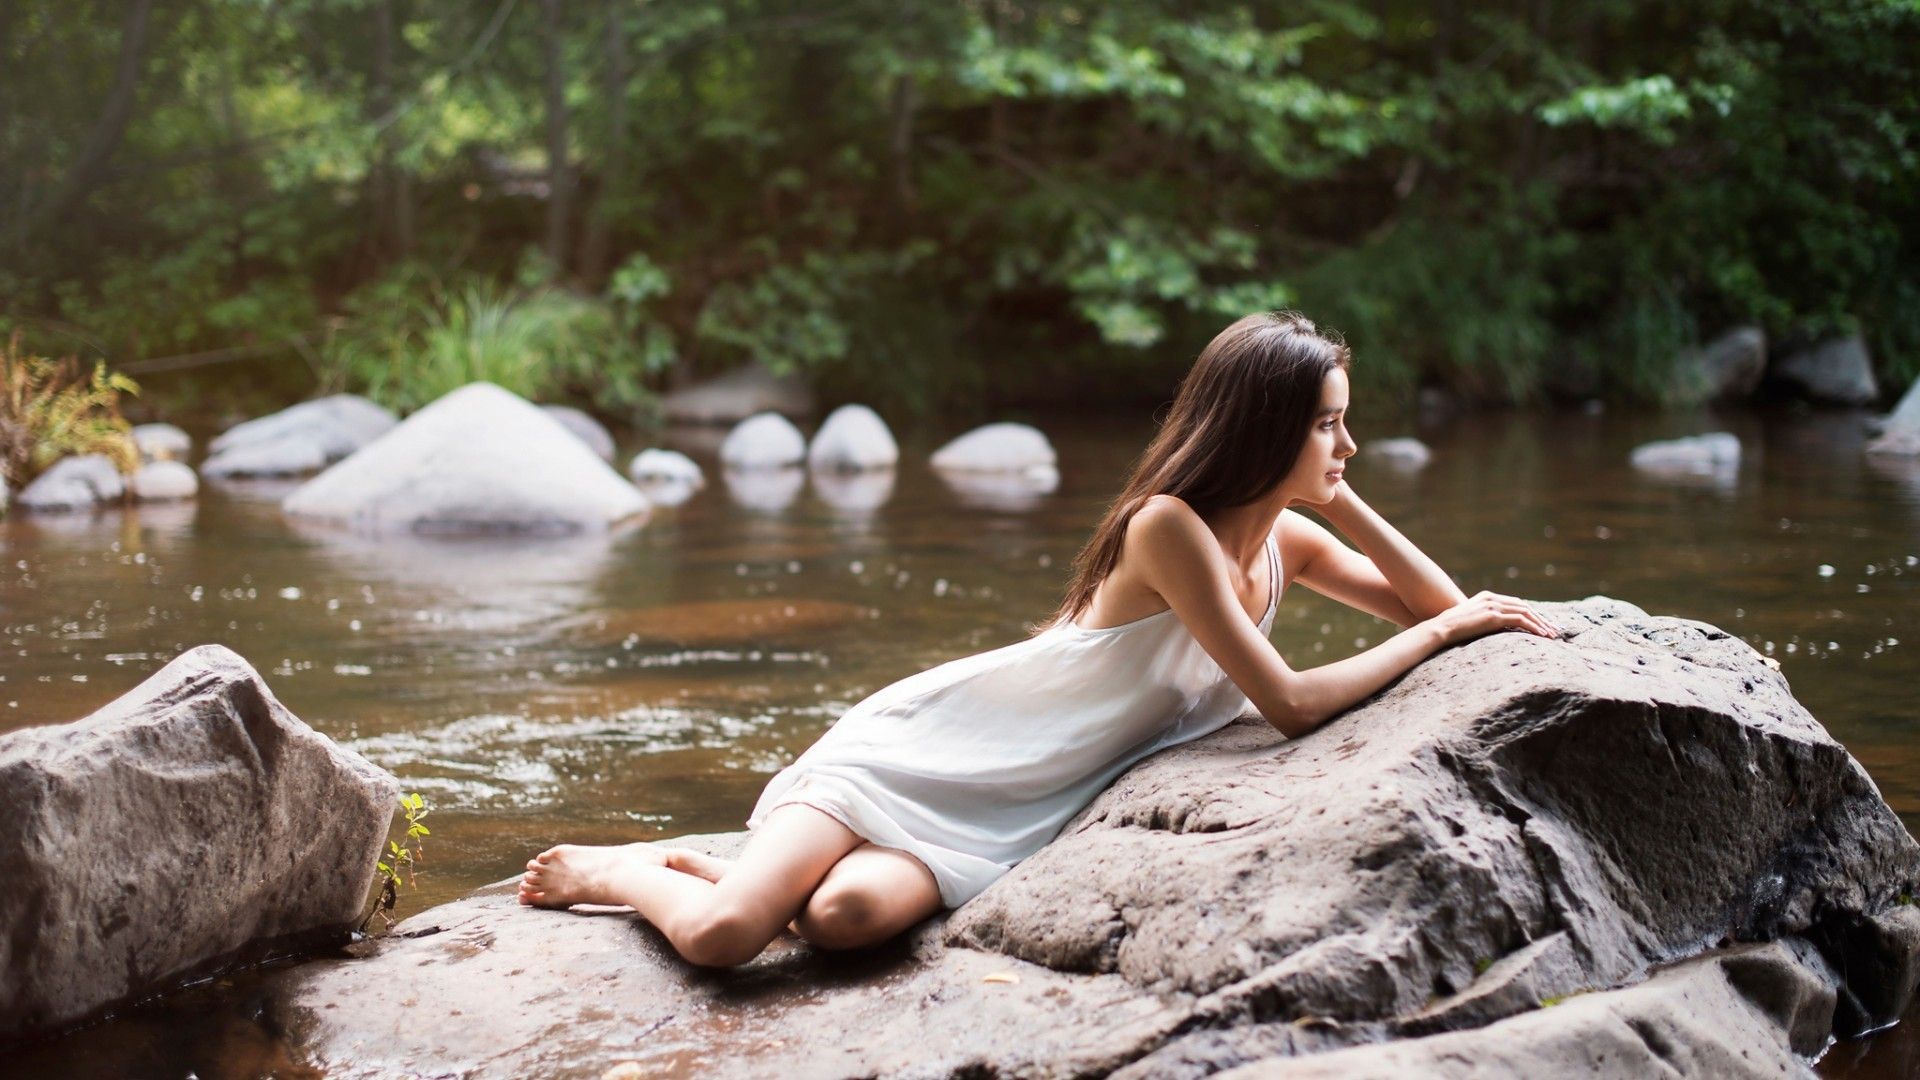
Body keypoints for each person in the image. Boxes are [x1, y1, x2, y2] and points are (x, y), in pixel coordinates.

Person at [517, 310, 1559, 967]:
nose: (1348, 442)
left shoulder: (1284, 535)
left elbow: (1439, 606)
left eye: (1344, 422)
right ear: (1263, 424)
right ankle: (628, 872)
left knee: (840, 926)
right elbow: (1291, 702)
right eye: (1328, 423)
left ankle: (741, 868)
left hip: (1012, 808)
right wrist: (1450, 626)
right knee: (727, 939)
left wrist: (1345, 499)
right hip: (929, 750)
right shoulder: (1169, 530)